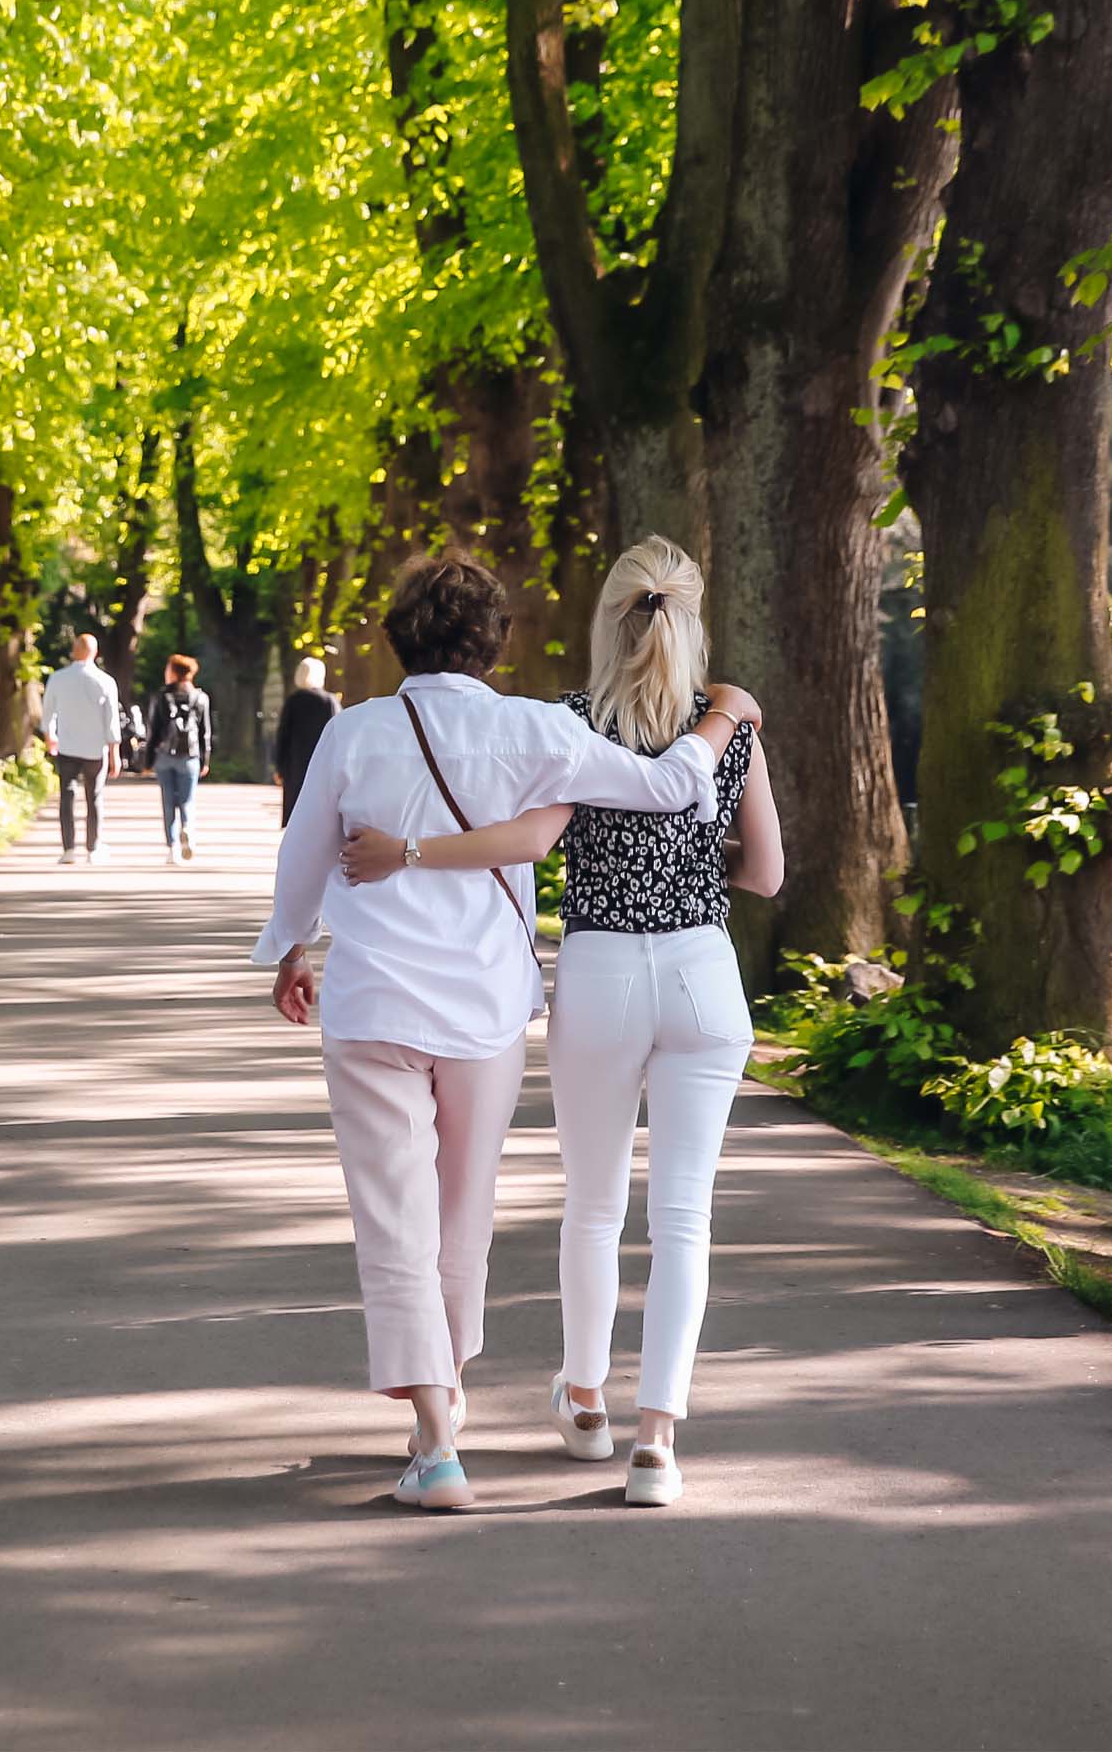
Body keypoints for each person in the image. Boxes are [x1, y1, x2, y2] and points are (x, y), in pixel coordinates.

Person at [255, 551, 758, 1510]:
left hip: (370, 1006)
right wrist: (720, 723)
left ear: (397, 635)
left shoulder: (353, 732)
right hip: (485, 1010)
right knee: (461, 1215)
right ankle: (440, 1407)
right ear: (494, 643)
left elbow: (303, 854)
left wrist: (290, 950)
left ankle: (437, 1440)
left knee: (390, 1217)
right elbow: (667, 789)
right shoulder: (531, 729)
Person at [40, 633, 122, 864]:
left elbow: (48, 713)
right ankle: (93, 848)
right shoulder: (105, 681)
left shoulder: (58, 678)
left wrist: (50, 737)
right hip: (95, 749)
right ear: (95, 653)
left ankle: (68, 850)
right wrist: (114, 752)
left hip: (66, 747)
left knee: (66, 796)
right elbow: (112, 720)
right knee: (94, 796)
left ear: (73, 651)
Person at [149, 654, 214, 862]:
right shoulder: (201, 698)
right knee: (187, 800)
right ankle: (187, 829)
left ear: (174, 672)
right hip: (190, 756)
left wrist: (148, 759)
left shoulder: (161, 696)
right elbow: (205, 732)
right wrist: (205, 759)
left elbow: (154, 730)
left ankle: (172, 849)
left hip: (165, 755)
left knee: (168, 801)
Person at [274, 656, 338, 823]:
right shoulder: (329, 701)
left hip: (296, 763)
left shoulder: (293, 700)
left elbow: (283, 735)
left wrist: (280, 767)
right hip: (323, 762)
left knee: (297, 811)